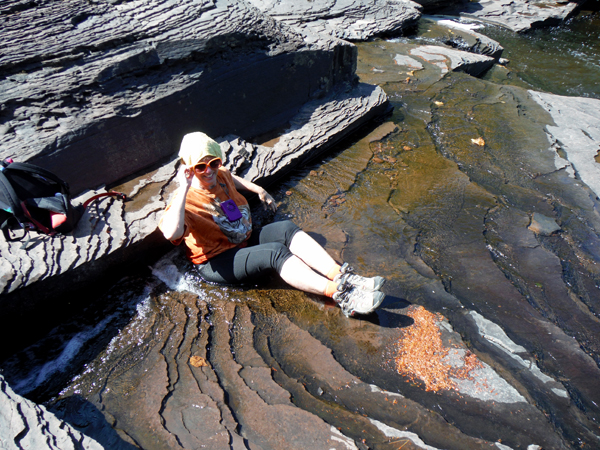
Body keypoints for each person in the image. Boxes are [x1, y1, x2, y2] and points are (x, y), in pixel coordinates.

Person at [159, 132, 386, 317]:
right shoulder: (184, 202)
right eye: (200, 167)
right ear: (188, 168)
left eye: (213, 162)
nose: (208, 170)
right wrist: (184, 187)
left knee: (286, 228)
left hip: (242, 239)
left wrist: (257, 189)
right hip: (217, 260)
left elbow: (231, 177)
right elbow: (171, 232)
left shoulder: (219, 174)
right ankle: (341, 295)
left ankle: (342, 275)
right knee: (275, 253)